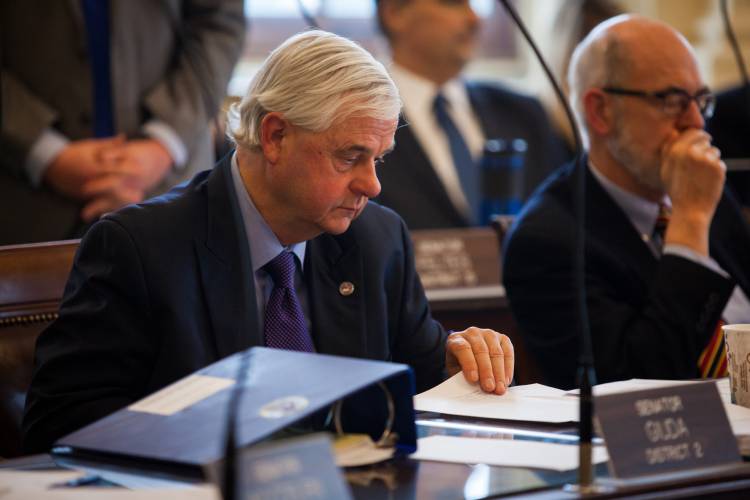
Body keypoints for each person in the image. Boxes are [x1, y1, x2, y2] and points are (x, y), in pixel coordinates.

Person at [23, 30, 515, 453]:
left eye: (378, 159)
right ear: (275, 135)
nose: (372, 185)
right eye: (350, 157)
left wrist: (458, 359)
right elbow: (60, 425)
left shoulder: (378, 240)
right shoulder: (139, 248)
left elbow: (419, 374)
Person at [503, 15, 750, 389]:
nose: (696, 123)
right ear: (601, 111)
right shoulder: (546, 242)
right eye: (672, 100)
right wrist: (689, 225)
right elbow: (636, 384)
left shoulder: (709, 191)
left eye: (701, 100)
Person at [0, 1, 245, 245]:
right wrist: (44, 151)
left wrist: (163, 142)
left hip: (170, 187)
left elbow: (220, 21)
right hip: (23, 200)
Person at [373, 0, 569, 229]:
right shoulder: (360, 125)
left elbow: (563, 219)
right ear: (395, 13)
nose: (475, 19)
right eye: (454, 3)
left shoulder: (525, 114)